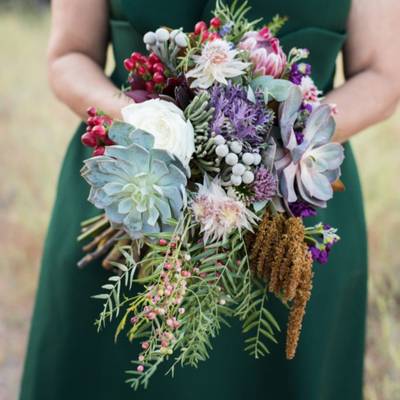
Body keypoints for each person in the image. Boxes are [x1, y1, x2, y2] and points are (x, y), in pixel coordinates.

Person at [20, 1, 400, 399]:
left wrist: (281, 137)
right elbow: (69, 56)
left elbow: (382, 75)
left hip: (291, 222)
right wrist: (149, 124)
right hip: (127, 206)